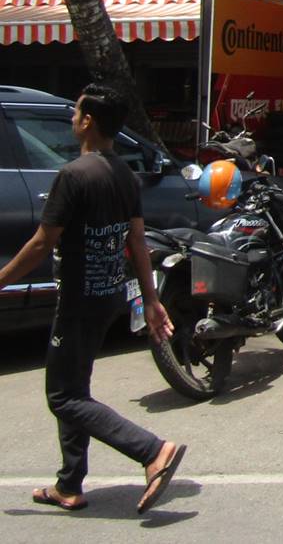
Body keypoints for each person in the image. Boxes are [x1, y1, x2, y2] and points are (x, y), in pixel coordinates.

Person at [0, 84, 187, 515]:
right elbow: (137, 240)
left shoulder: (74, 175)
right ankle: (69, 485)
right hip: (108, 297)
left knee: (63, 397)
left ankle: (152, 450)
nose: (72, 118)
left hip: (80, 300)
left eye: (76, 112)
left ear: (87, 121)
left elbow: (42, 242)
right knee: (75, 387)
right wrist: (152, 298)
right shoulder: (123, 172)